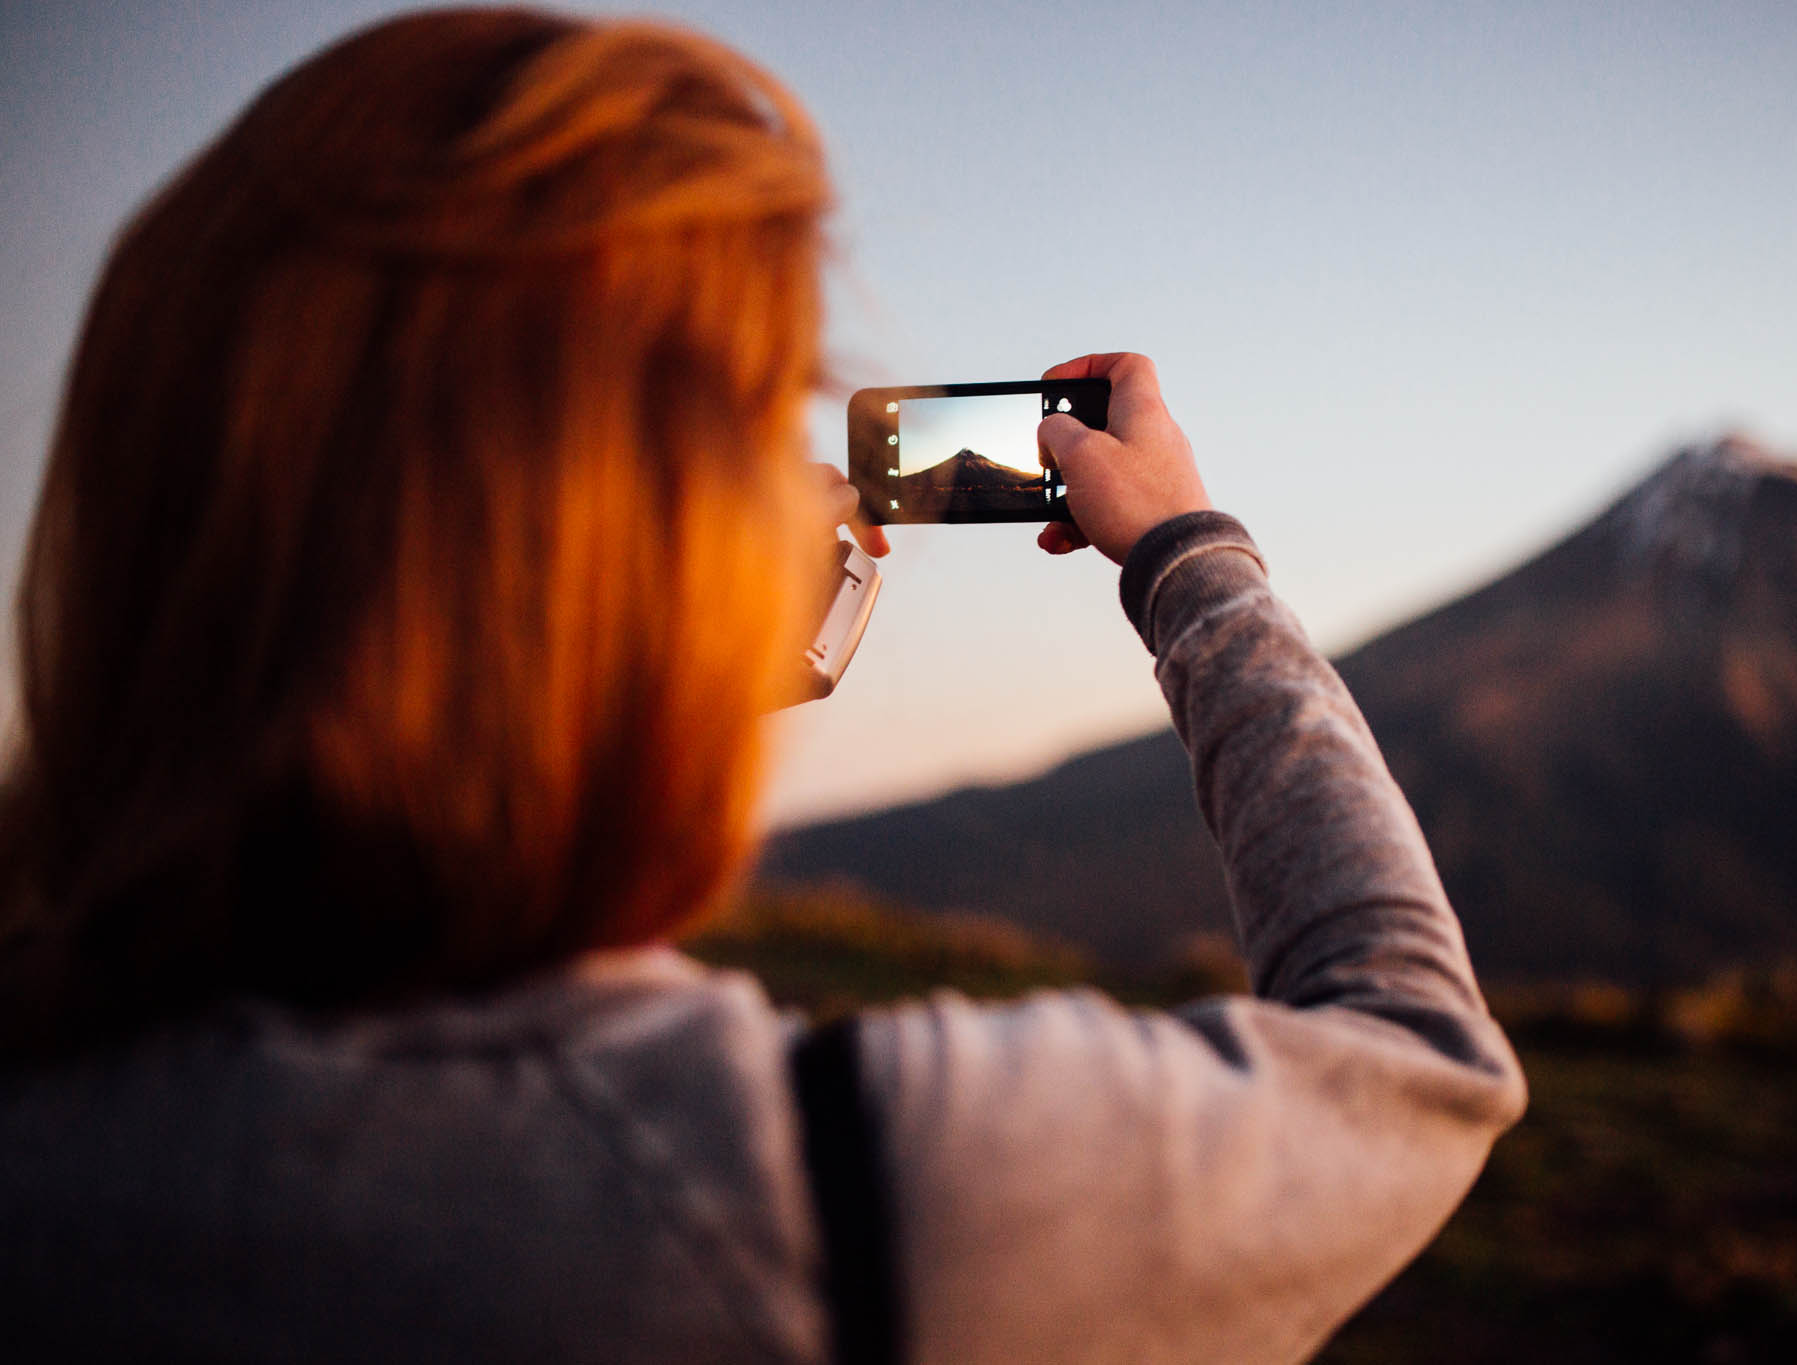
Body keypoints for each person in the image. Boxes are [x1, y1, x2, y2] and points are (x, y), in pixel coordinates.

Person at [0, 9, 1524, 1363]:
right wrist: (1192, 559)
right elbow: (1414, 1056)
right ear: (650, 566)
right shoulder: (859, 1191)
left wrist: (630, 639)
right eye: (740, 427)